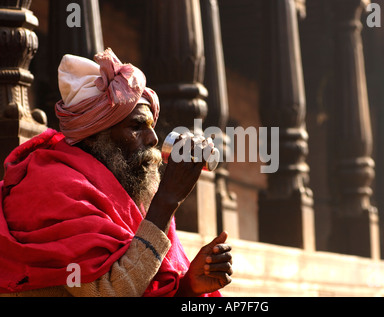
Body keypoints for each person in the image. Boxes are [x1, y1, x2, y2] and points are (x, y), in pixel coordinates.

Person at [0, 48, 233, 297]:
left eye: (151, 127)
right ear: (93, 137)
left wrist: (188, 287)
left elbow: (140, 283)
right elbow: (109, 292)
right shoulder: (51, 187)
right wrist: (166, 201)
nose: (153, 139)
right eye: (136, 126)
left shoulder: (126, 196)